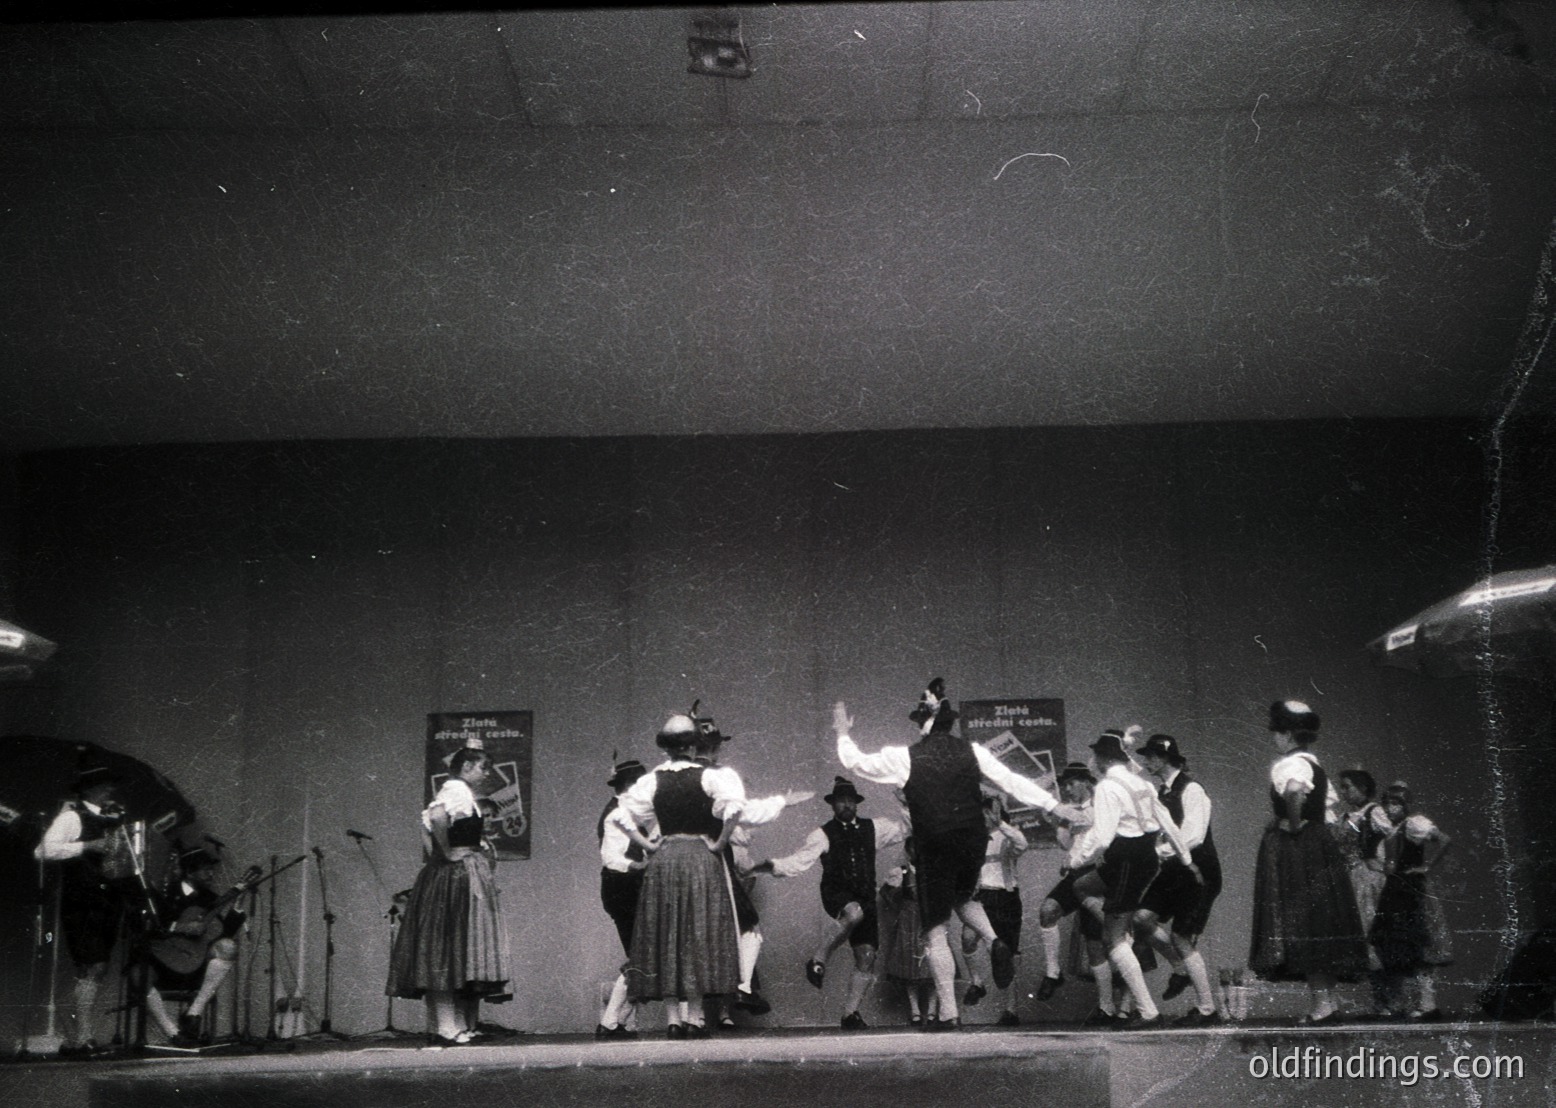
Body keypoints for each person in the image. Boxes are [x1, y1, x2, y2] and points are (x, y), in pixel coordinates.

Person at [834, 680, 1085, 1030]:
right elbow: (1011, 780)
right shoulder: (974, 751)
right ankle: (994, 941)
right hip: (972, 842)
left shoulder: (905, 756)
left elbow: (856, 763)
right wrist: (1054, 805)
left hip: (934, 845)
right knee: (963, 897)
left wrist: (843, 732)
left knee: (935, 931)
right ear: (949, 723)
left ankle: (949, 1014)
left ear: (923, 724)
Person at [618, 713, 806, 1038]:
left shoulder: (655, 780)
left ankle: (676, 1019)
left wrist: (649, 845)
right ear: (695, 746)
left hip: (666, 862)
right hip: (701, 861)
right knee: (699, 935)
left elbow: (622, 816)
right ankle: (697, 1015)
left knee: (670, 935)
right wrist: (722, 840)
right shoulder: (712, 777)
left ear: (666, 749)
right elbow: (738, 810)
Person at [1248, 700, 1369, 1024]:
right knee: (1320, 920)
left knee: (1304, 922)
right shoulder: (1314, 765)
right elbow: (1324, 812)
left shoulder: (1292, 764)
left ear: (1287, 734)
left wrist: (1292, 823)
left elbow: (1294, 792)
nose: (1274, 738)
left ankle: (1321, 1005)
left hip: (1298, 847)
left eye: (1277, 732)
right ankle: (1328, 1002)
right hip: (1318, 844)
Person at [752, 776, 906, 1030]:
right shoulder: (822, 834)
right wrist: (772, 866)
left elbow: (905, 829)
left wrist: (905, 802)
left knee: (867, 956)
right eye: (840, 801)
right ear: (832, 805)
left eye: (850, 800)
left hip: (866, 896)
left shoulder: (874, 828)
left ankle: (850, 1014)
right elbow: (800, 860)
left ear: (856, 803)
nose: (846, 805)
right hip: (836, 893)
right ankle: (818, 958)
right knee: (853, 913)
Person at [1067, 729, 1197, 1029]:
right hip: (1144, 857)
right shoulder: (1142, 783)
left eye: (1094, 755)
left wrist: (1076, 859)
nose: (1092, 761)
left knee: (1112, 941)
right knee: (1081, 886)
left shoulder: (1106, 787)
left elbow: (1103, 836)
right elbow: (1167, 823)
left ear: (1102, 758)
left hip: (1126, 858)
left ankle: (1148, 1012)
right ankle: (1121, 928)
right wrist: (1186, 859)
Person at [386, 746, 513, 1046]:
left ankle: (449, 1024)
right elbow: (435, 815)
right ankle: (446, 1026)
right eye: (483, 767)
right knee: (445, 948)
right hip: (453, 877)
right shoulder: (456, 789)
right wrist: (447, 853)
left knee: (453, 949)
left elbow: (427, 825)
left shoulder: (460, 791)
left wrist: (443, 854)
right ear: (466, 766)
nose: (487, 774)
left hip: (455, 873)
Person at [35, 765, 136, 1054]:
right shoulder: (72, 816)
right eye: (106, 785)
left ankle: (80, 1036)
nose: (111, 790)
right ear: (91, 789)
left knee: (96, 967)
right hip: (82, 901)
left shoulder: (113, 819)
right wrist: (86, 846)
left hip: (108, 901)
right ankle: (83, 1037)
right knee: (93, 964)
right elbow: (43, 850)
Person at [1132, 733, 1223, 1026]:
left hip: (1198, 873)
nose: (1146, 762)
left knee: (1182, 937)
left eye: (1150, 756)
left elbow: (1194, 836)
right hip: (1174, 871)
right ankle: (1179, 968)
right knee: (1141, 918)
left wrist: (1160, 851)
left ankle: (1207, 1009)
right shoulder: (1162, 793)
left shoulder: (1192, 789)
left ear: (1164, 758)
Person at [143, 848, 254, 1045]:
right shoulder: (166, 893)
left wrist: (237, 904)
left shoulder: (210, 898)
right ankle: (173, 1033)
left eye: (211, 870)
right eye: (205, 870)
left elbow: (223, 933)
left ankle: (194, 1012)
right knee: (139, 976)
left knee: (228, 947)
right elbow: (150, 926)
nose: (211, 874)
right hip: (164, 963)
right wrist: (181, 927)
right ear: (189, 872)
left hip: (196, 965)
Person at [1369, 784, 1453, 1021]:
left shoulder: (1413, 824)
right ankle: (1403, 1003)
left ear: (1405, 806)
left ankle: (1427, 1004)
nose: (1390, 808)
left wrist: (1427, 865)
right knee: (1397, 946)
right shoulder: (1391, 831)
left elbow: (1444, 840)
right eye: (1387, 804)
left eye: (1395, 804)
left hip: (1411, 890)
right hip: (1394, 890)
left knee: (1417, 945)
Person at [596, 759, 657, 1039]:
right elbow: (611, 858)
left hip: (628, 887)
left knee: (643, 955)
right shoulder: (617, 812)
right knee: (640, 955)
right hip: (623, 887)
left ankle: (614, 1021)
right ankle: (610, 1022)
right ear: (631, 786)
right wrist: (639, 866)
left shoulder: (629, 811)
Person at [959, 794, 1029, 1025]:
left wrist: (1001, 824)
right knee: (967, 939)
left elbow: (1022, 844)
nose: (984, 818)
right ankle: (977, 983)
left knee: (1007, 953)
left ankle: (1011, 1010)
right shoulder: (974, 838)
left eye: (988, 813)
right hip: (981, 897)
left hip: (1005, 897)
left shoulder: (1007, 835)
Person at [1336, 768, 1393, 1014]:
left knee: (1375, 934)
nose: (1344, 792)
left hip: (1369, 878)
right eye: (1342, 787)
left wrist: (1381, 860)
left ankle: (1388, 1001)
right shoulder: (1345, 816)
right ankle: (1380, 1001)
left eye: (1347, 786)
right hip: (1351, 879)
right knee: (1363, 938)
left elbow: (1394, 837)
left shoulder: (1374, 812)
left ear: (1363, 788)